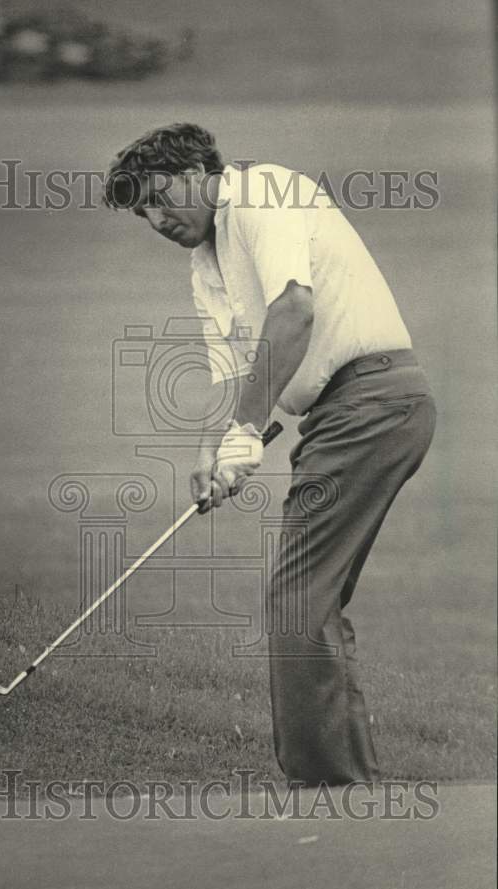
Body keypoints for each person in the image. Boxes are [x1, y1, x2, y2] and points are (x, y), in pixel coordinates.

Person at [103, 123, 436, 786]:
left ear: (200, 169)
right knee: (309, 599)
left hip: (370, 399)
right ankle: (345, 780)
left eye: (161, 196)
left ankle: (330, 786)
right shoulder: (206, 266)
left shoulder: (261, 192)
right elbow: (232, 374)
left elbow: (293, 311)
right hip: (343, 416)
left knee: (295, 599)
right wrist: (215, 450)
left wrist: (245, 435)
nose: (156, 218)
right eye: (142, 211)